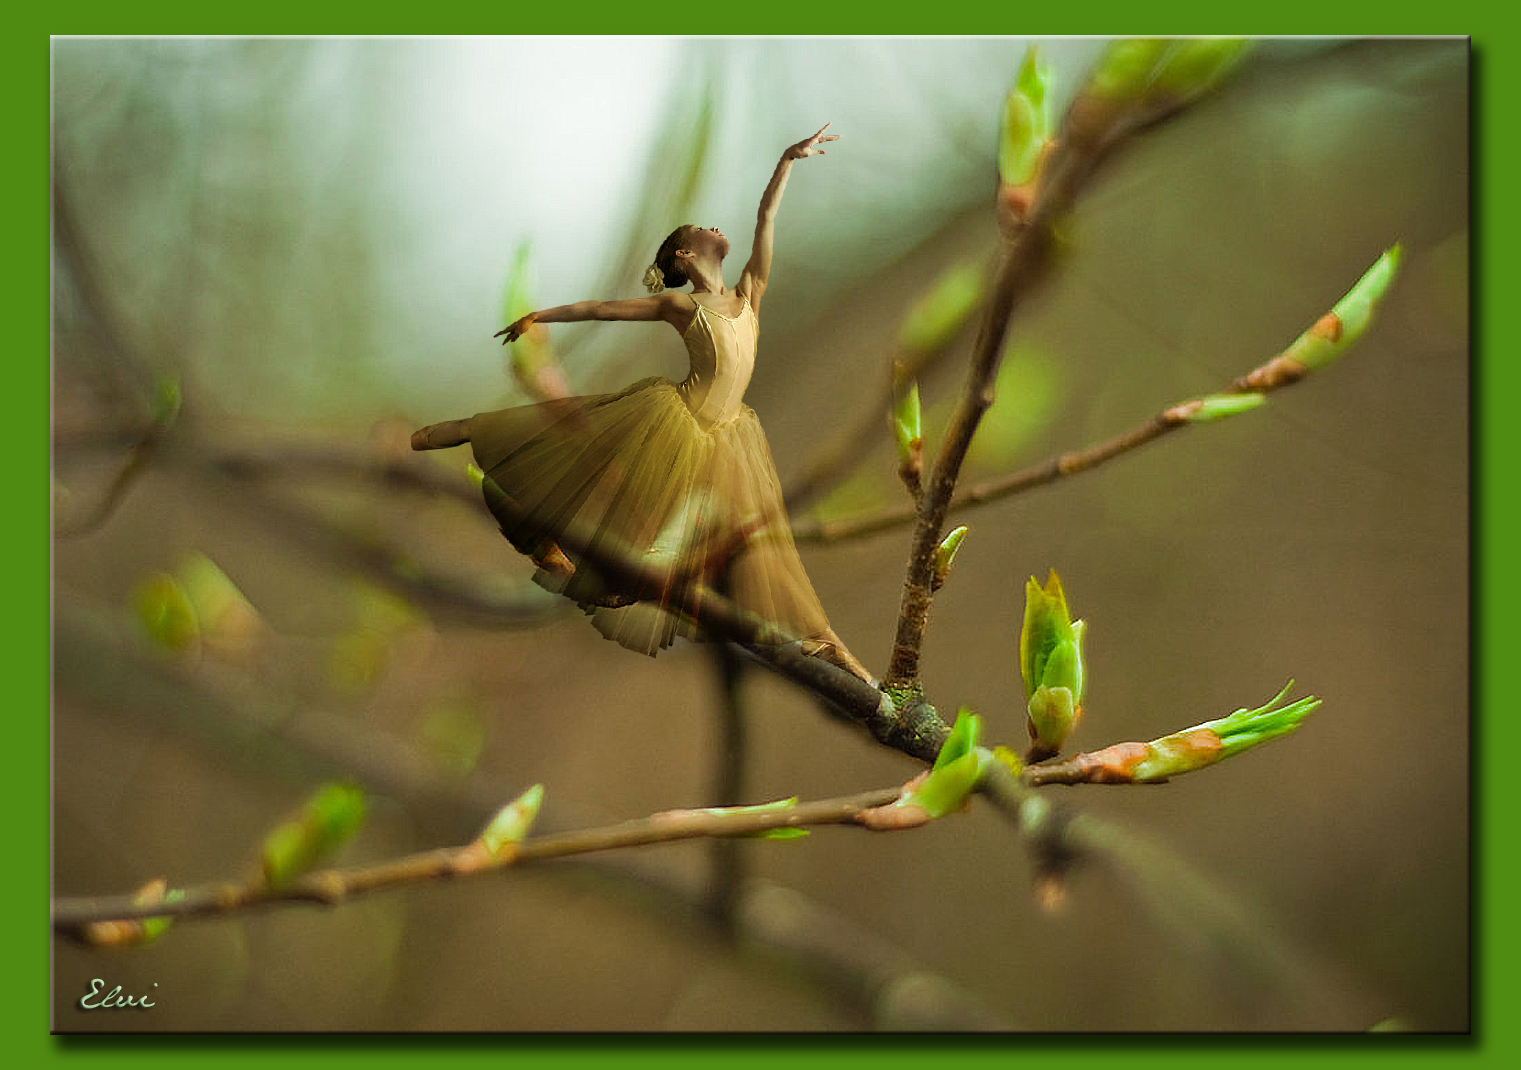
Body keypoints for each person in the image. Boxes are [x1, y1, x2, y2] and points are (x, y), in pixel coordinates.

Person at [412, 124, 873, 684]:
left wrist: (787, 161)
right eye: (704, 228)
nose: (716, 227)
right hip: (676, 422)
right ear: (686, 252)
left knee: (745, 540)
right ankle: (436, 438)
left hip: (727, 436)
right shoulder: (682, 306)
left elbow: (766, 219)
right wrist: (540, 317)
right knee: (575, 452)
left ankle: (820, 640)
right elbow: (604, 307)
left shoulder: (750, 290)